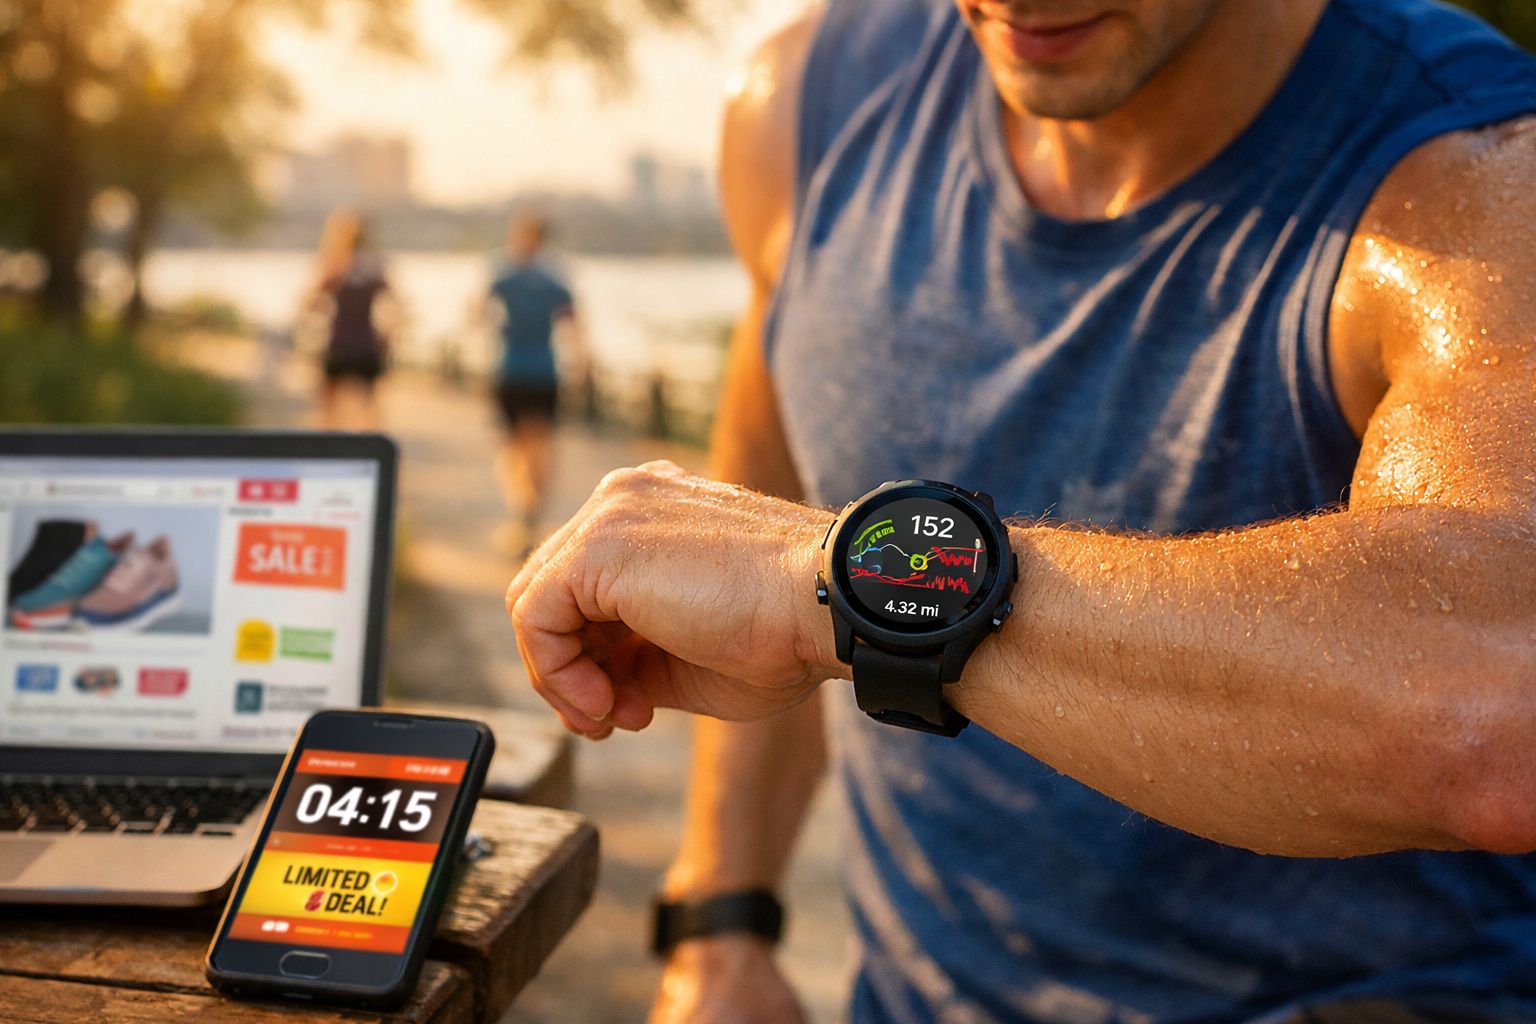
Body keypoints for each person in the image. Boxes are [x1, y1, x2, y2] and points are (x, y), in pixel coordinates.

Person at [506, 1, 1536, 1021]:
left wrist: (840, 583)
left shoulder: (1476, 176)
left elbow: (1492, 705)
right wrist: (720, 920)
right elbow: (774, 470)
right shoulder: (805, 105)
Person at [485, 215, 584, 554]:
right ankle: (531, 514)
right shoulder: (556, 277)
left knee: (515, 448)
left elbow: (478, 313)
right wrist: (580, 363)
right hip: (544, 371)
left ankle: (522, 513)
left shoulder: (503, 272)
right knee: (538, 446)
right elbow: (573, 324)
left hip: (513, 370)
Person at [308, 209, 395, 431]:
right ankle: (372, 448)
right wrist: (387, 335)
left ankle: (328, 448)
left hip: (339, 345)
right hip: (366, 345)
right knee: (370, 411)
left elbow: (310, 303)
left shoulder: (335, 265)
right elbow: (396, 305)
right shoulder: (374, 267)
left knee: (328, 413)